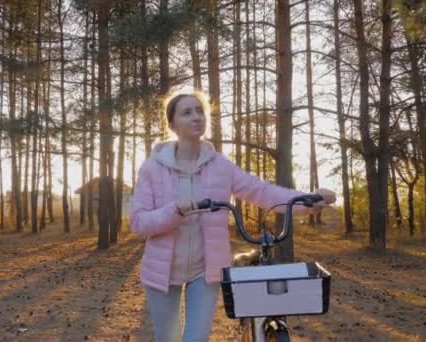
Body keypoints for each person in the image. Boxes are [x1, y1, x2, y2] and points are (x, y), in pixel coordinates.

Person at [129, 92, 336, 342]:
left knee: (196, 338)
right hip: (161, 272)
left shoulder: (220, 166)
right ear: (171, 124)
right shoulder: (152, 168)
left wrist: (306, 200)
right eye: (187, 112)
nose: (196, 117)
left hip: (204, 271)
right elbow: (139, 222)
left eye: (199, 110)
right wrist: (175, 211)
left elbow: (261, 191)